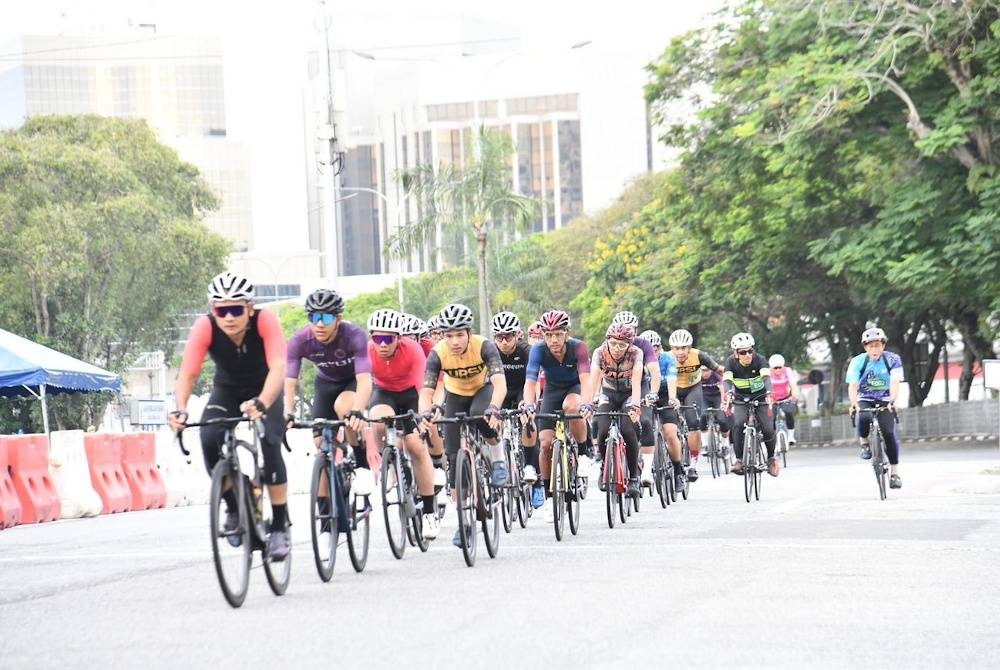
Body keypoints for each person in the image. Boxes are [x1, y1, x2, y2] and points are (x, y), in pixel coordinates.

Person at [169, 272, 291, 560]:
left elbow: (279, 366)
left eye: (236, 309)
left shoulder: (265, 320)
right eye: (221, 310)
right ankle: (235, 504)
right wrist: (181, 408)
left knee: (271, 443)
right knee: (209, 438)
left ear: (249, 308)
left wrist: (262, 402)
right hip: (227, 391)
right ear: (213, 311)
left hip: (265, 390)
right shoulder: (205, 326)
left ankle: (279, 526)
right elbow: (188, 372)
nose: (229, 317)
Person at [417, 303, 507, 547]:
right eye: (448, 336)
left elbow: (500, 384)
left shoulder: (484, 346)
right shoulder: (438, 353)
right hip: (455, 395)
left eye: (459, 335)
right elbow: (426, 391)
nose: (454, 341)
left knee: (481, 416)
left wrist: (495, 407)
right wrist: (426, 412)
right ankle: (463, 522)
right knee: (454, 457)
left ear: (469, 332)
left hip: (481, 390)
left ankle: (498, 458)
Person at [283, 289, 375, 496]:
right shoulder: (300, 340)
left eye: (325, 317)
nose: (320, 324)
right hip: (325, 384)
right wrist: (288, 412)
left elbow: (364, 380)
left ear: (338, 319)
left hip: (351, 382)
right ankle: (326, 521)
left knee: (346, 409)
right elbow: (289, 381)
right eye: (314, 317)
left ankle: (361, 463)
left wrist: (358, 410)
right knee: (321, 447)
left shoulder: (353, 335)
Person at [366, 308, 439, 540]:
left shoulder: (413, 350)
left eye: (388, 339)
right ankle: (388, 462)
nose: (383, 344)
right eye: (378, 338)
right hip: (384, 392)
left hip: (410, 394)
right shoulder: (368, 353)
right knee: (378, 420)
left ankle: (429, 511)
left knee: (416, 446)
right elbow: (361, 384)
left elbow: (422, 387)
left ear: (399, 338)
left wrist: (423, 415)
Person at [523, 310, 592, 520]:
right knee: (545, 444)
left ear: (566, 333)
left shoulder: (578, 347)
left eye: (558, 334)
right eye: (548, 334)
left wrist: (587, 403)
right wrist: (528, 405)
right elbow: (531, 381)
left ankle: (582, 452)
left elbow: (586, 379)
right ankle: (549, 495)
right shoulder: (538, 350)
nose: (553, 339)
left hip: (574, 387)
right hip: (552, 391)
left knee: (572, 406)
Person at [584, 323, 644, 498]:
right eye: (613, 344)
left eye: (622, 345)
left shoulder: (636, 353)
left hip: (627, 395)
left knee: (627, 429)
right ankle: (605, 463)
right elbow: (594, 376)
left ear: (630, 344)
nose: (617, 349)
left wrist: (635, 405)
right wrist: (589, 402)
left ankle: (633, 477)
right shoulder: (599, 352)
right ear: (607, 340)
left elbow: (637, 378)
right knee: (601, 429)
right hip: (608, 394)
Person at [491, 311, 541, 503]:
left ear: (517, 335)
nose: (504, 342)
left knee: (527, 419)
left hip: (522, 389)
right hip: (501, 391)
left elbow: (533, 381)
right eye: (499, 337)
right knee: (493, 423)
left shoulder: (527, 351)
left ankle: (531, 469)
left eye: (508, 336)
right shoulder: (491, 352)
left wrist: (530, 403)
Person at [846, 326, 903, 489]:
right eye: (870, 346)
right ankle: (864, 442)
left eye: (877, 345)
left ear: (883, 345)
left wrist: (892, 401)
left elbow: (895, 382)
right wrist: (854, 404)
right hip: (864, 398)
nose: (874, 349)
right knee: (863, 416)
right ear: (865, 347)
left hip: (885, 398)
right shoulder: (858, 361)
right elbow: (853, 386)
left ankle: (895, 473)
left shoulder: (893, 359)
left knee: (889, 433)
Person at [666, 328, 724, 482]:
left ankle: (693, 463)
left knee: (693, 423)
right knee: (669, 424)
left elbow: (719, 370)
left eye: (684, 348)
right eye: (677, 348)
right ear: (672, 349)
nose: (680, 352)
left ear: (689, 347)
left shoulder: (699, 356)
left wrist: (734, 378)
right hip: (673, 390)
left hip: (693, 388)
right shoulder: (666, 358)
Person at [610, 312, 661, 487]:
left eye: (630, 330)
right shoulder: (611, 344)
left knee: (645, 421)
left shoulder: (643, 345)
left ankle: (646, 470)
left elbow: (654, 371)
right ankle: (608, 459)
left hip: (640, 386)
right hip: (614, 389)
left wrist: (653, 393)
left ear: (636, 331)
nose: (626, 333)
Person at [721, 332, 779, 477]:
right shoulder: (730, 362)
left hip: (760, 396)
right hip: (741, 397)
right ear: (736, 354)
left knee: (768, 427)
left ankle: (771, 458)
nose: (747, 355)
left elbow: (766, 378)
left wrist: (769, 393)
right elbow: (727, 380)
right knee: (738, 423)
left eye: (750, 351)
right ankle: (739, 460)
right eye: (743, 352)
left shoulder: (760, 360)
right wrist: (728, 392)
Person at [638, 330, 686, 491]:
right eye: (649, 349)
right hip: (646, 395)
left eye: (656, 348)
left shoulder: (667, 358)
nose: (653, 352)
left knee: (670, 432)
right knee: (642, 427)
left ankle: (678, 470)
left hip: (665, 394)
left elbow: (672, 379)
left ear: (661, 348)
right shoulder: (637, 359)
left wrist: (673, 398)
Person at [768, 354, 799, 444]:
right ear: (771, 368)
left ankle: (791, 436)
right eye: (775, 368)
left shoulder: (788, 371)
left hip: (785, 397)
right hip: (772, 399)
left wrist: (794, 396)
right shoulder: (768, 373)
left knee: (789, 413)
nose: (778, 370)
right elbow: (764, 387)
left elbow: (793, 385)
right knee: (771, 417)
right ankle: (772, 438)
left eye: (780, 367)